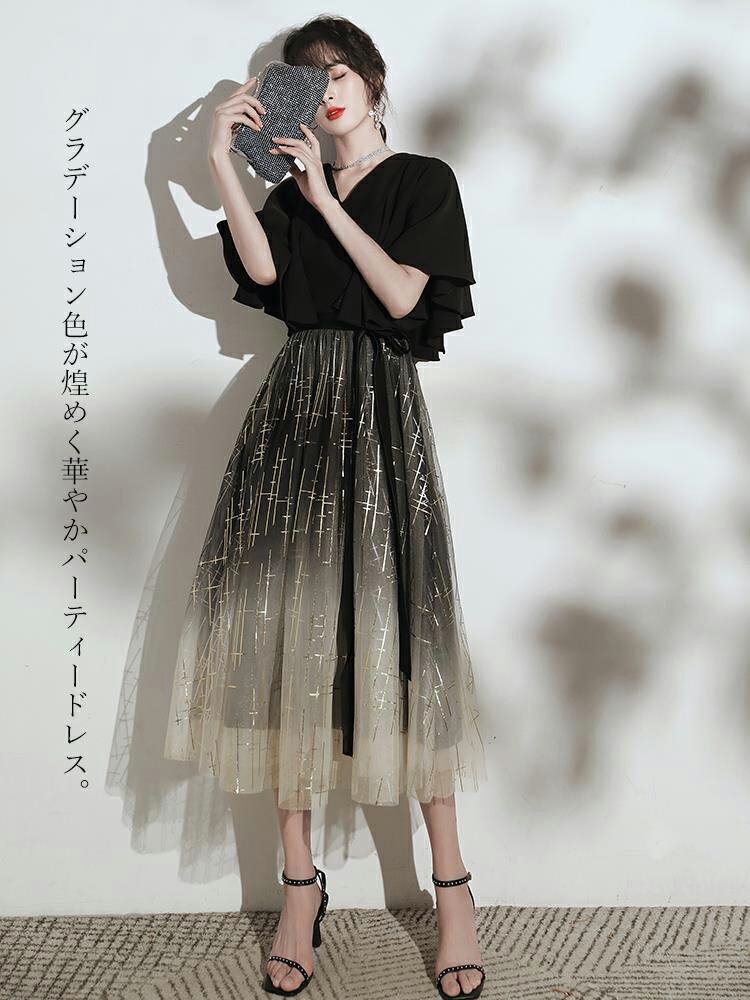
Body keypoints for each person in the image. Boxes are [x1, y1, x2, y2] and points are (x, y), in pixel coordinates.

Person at [163, 15, 489, 999]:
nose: (330, 91)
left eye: (341, 73)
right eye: (309, 80)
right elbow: (264, 274)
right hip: (293, 424)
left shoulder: (421, 181)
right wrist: (219, 161)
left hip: (381, 425)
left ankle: (453, 890)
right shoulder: (284, 194)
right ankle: (299, 889)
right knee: (288, 649)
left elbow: (401, 297)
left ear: (374, 82)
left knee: (406, 645)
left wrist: (323, 198)